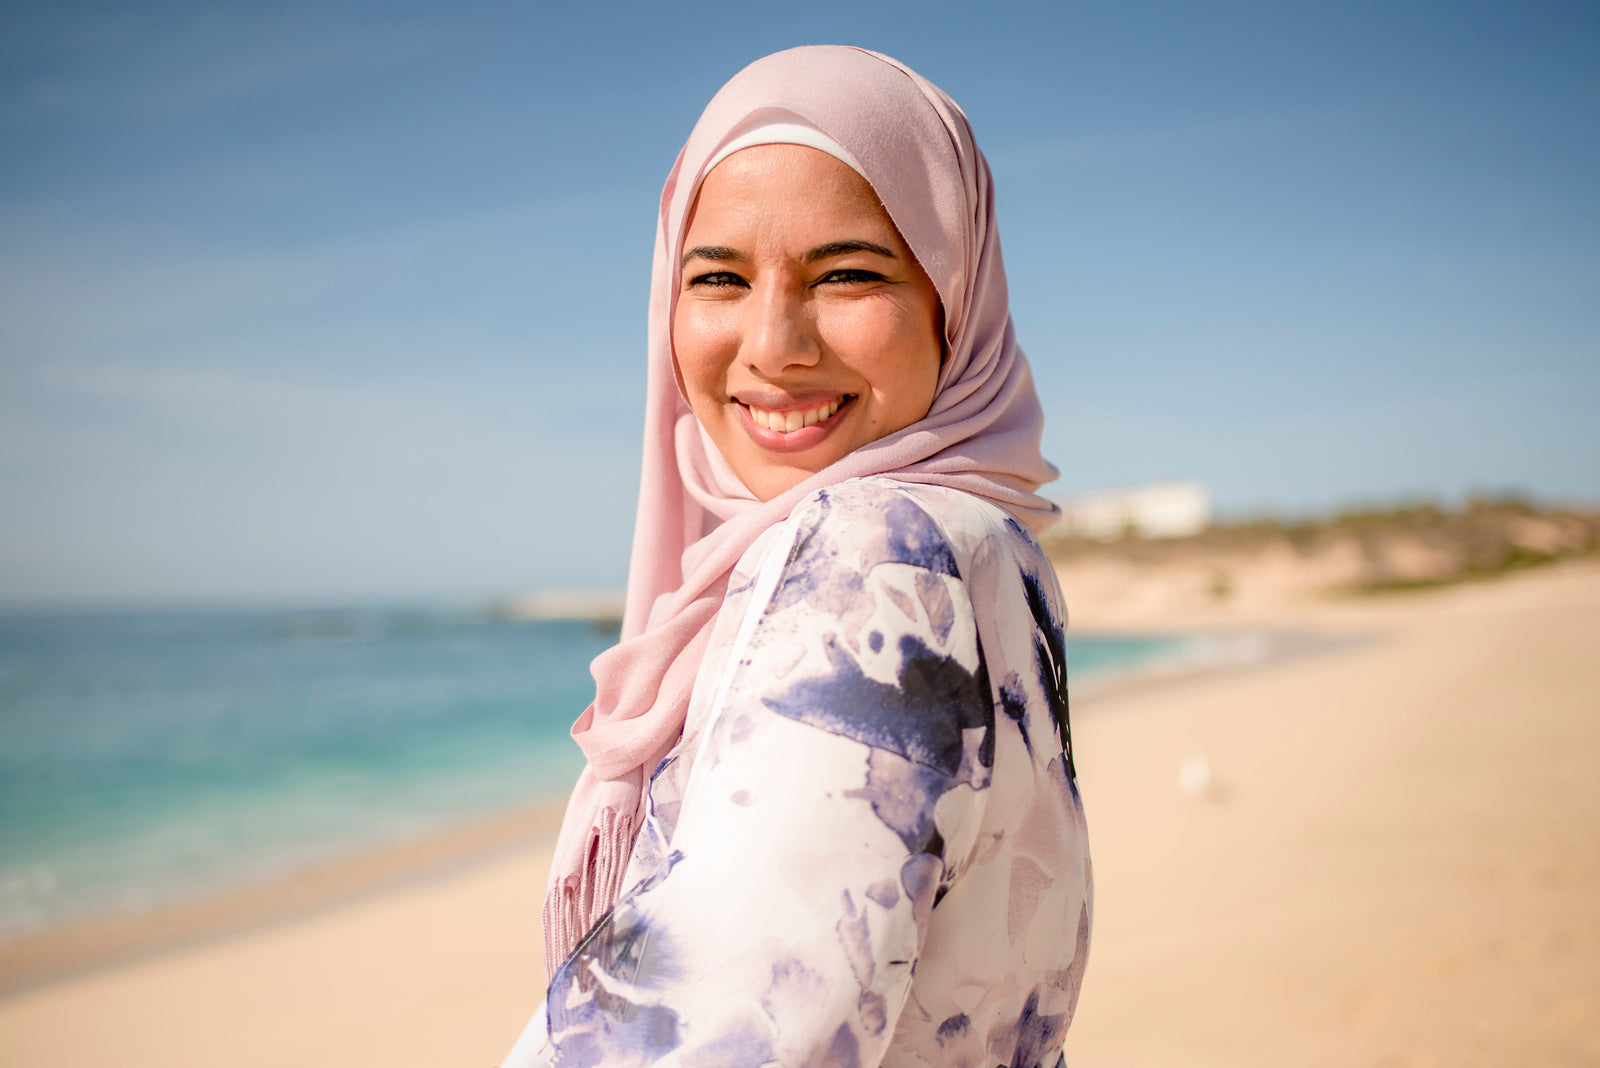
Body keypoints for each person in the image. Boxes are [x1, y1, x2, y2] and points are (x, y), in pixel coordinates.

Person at [503, 45, 1091, 1068]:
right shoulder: (990, 548)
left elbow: (715, 1032)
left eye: (848, 274)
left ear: (952, 292)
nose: (774, 344)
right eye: (719, 277)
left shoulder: (877, 557)